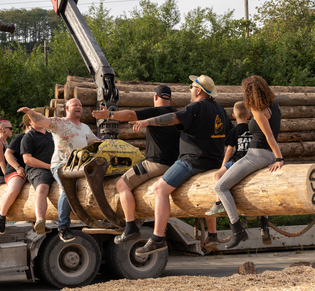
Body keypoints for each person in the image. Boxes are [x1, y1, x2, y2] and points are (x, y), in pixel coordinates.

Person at [130, 74, 232, 256]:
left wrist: (147, 121)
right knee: (209, 192)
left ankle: (157, 238)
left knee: (159, 189)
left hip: (191, 161)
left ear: (199, 90)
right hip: (214, 162)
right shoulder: (220, 109)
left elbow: (174, 118)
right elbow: (230, 134)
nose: (190, 90)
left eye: (192, 87)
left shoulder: (195, 107)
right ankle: (213, 235)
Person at [91, 84, 181, 245]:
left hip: (157, 163)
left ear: (155, 97)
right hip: (176, 165)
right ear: (170, 99)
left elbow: (130, 114)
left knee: (121, 185)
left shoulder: (155, 112)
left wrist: (109, 114)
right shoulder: (177, 114)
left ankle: (130, 227)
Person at [214, 75, 283, 249]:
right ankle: (260, 225)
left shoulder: (257, 109)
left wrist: (279, 158)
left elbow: (269, 136)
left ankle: (237, 230)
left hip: (258, 155)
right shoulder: (274, 105)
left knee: (220, 186)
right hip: (260, 154)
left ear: (250, 92)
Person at [19, 99, 99, 242]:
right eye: (75, 105)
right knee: (69, 186)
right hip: (62, 165)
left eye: (81, 105)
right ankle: (63, 227)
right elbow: (42, 120)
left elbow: (96, 143)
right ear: (67, 107)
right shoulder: (59, 122)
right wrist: (30, 113)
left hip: (79, 166)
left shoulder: (85, 128)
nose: (79, 107)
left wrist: (113, 144)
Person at [205, 101, 252, 216]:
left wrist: (223, 166)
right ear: (249, 115)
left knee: (217, 175)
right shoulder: (253, 129)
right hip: (251, 160)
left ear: (233, 116)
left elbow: (229, 150)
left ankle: (218, 202)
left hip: (237, 161)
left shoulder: (234, 130)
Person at [18, 107, 55, 235]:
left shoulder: (53, 135)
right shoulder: (28, 137)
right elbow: (27, 160)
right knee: (42, 188)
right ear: (30, 122)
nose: (38, 119)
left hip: (55, 167)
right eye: (34, 117)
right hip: (37, 170)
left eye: (39, 117)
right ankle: (40, 221)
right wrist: (48, 166)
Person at [0, 116, 32, 234]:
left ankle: (36, 220)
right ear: (28, 126)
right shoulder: (19, 137)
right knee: (14, 189)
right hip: (15, 170)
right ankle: (1, 216)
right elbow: (7, 155)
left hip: (31, 171)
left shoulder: (39, 138)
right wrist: (18, 168)